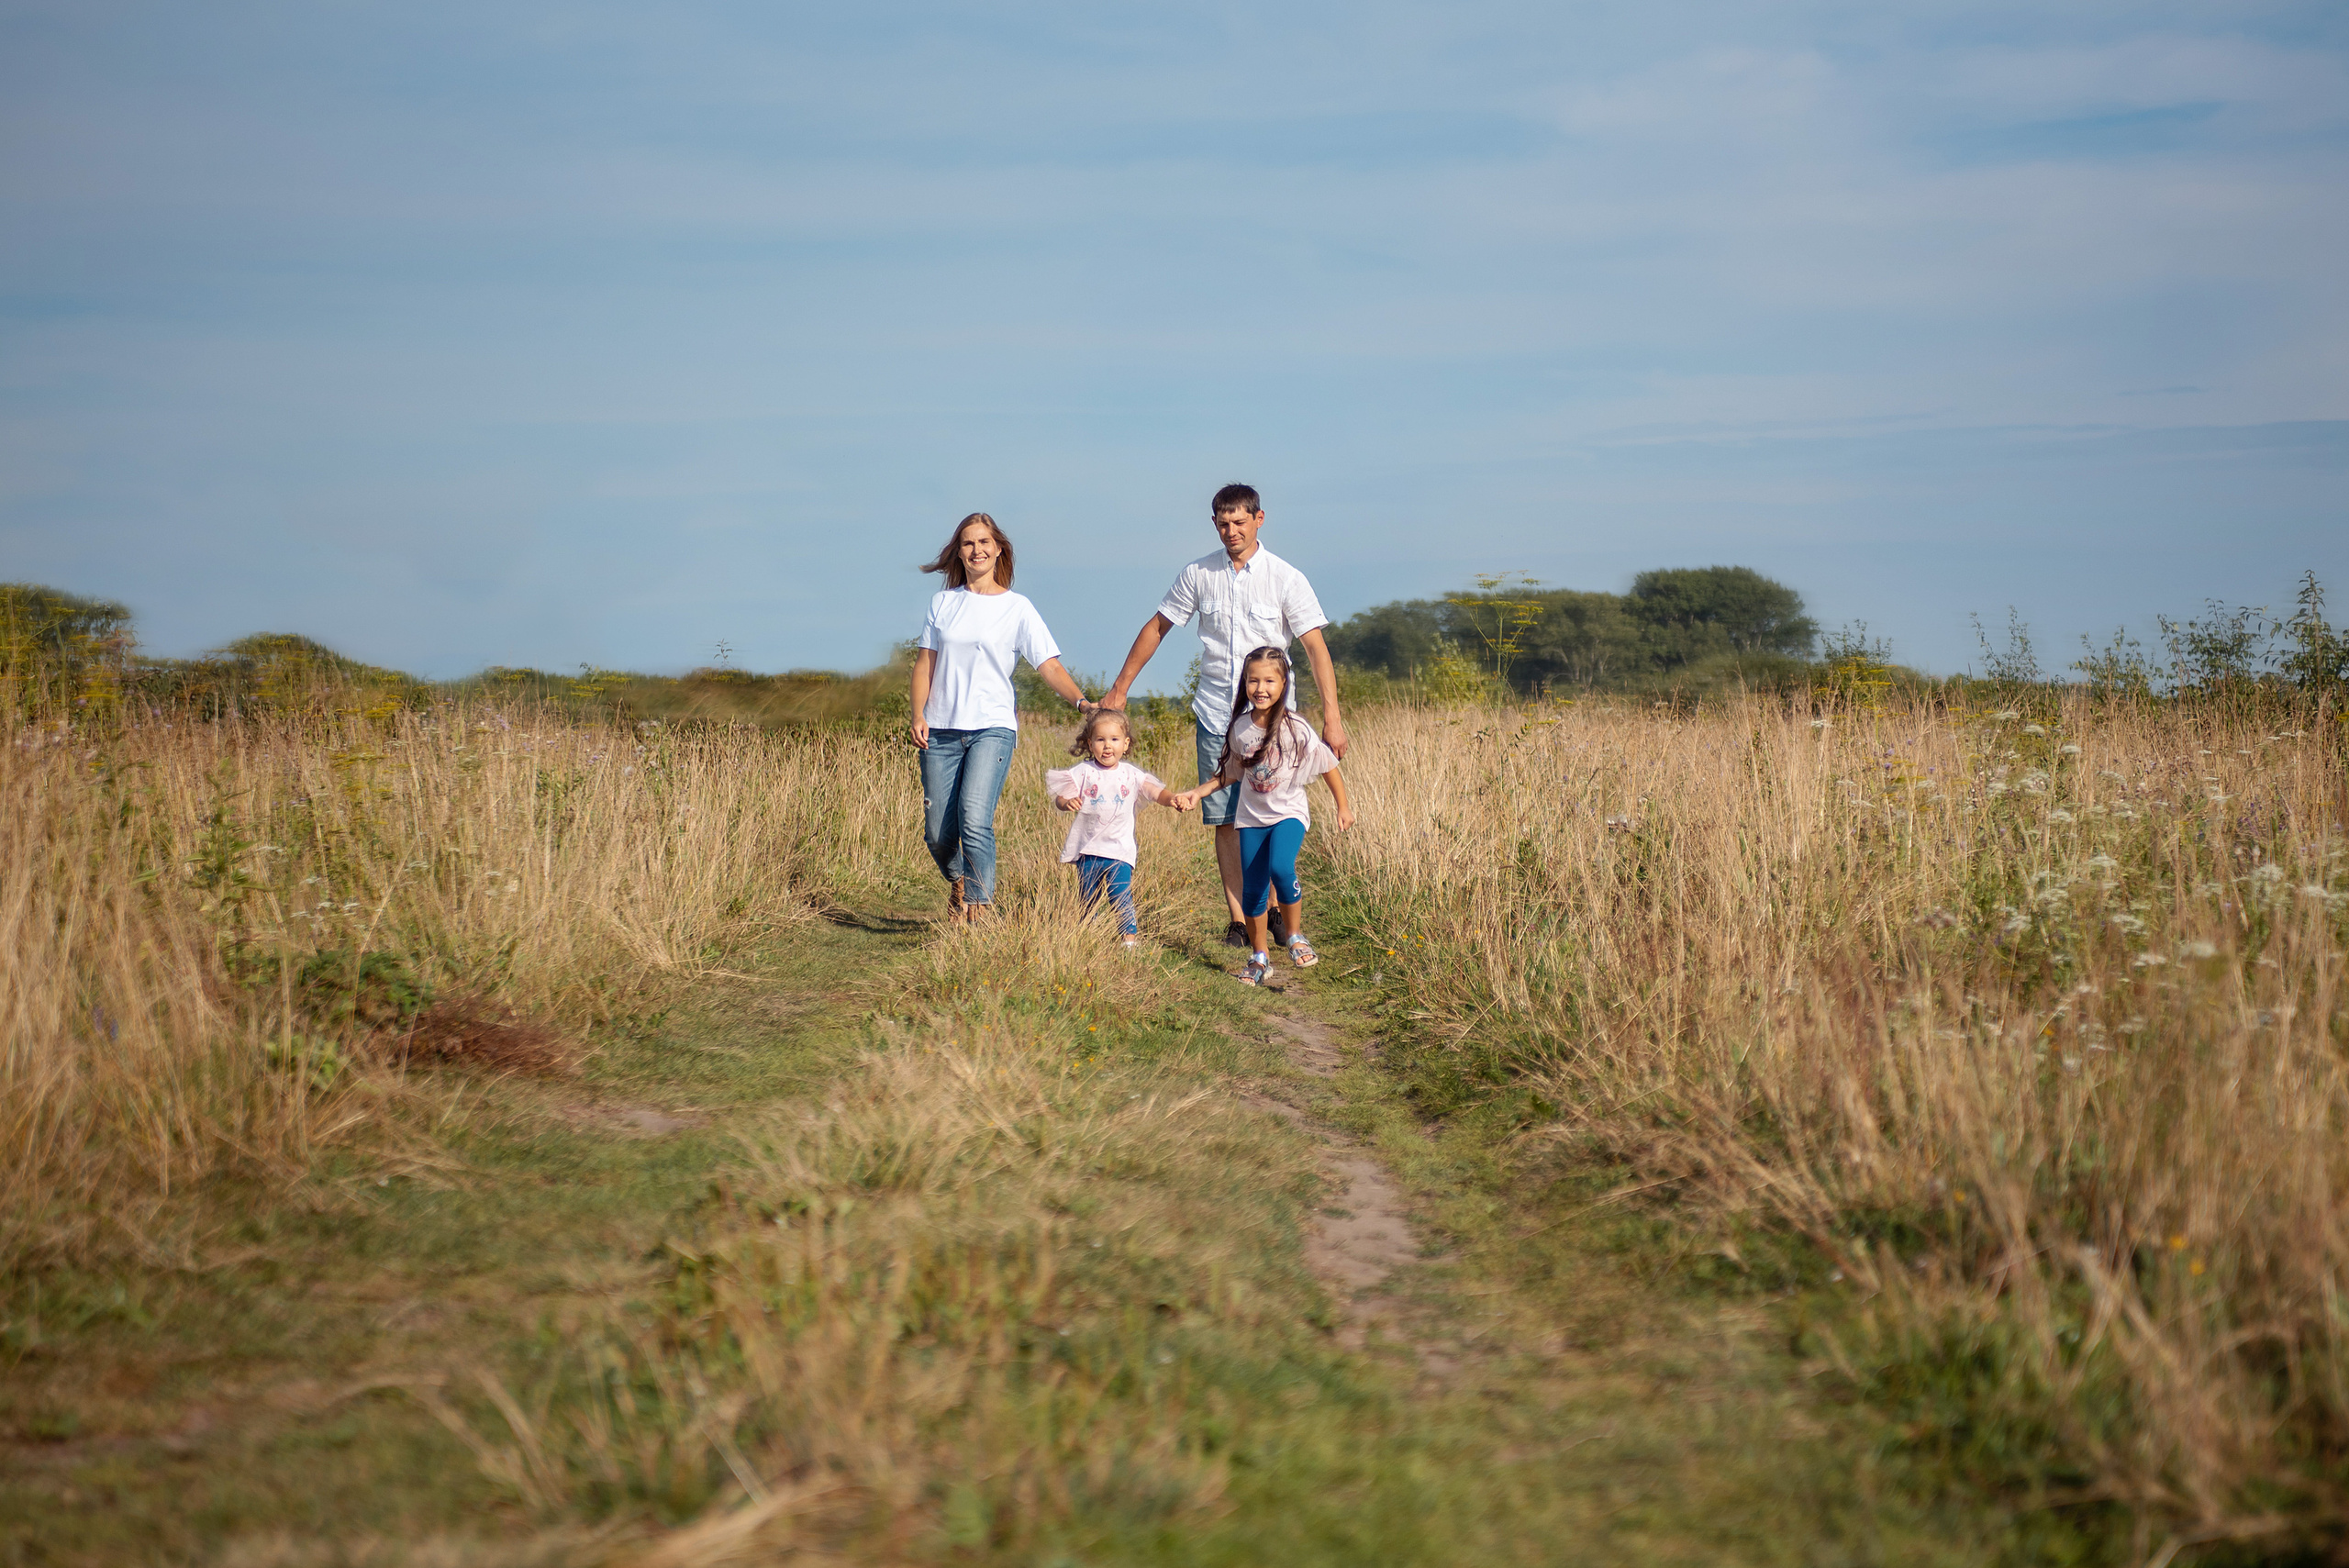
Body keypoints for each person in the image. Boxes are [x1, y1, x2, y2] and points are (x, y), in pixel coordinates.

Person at [1099, 483, 1347, 948]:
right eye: (1223, 523)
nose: (1231, 531)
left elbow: (1315, 647)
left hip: (1274, 725)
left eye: (1239, 522)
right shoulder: (1198, 574)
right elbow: (1158, 627)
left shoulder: (1285, 577)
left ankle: (1272, 911)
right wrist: (1120, 687)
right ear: (1214, 523)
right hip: (1217, 713)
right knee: (1225, 818)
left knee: (1270, 814)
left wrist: (1332, 717)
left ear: (1259, 519)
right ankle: (1239, 919)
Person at [908, 513, 1092, 919]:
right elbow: (924, 665)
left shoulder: (1017, 608)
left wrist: (1081, 703)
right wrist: (917, 714)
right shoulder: (943, 602)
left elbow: (1049, 666)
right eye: (969, 543)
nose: (977, 550)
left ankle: (979, 908)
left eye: (984, 542)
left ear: (999, 549)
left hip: (992, 727)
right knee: (938, 833)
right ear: (960, 552)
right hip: (939, 729)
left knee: (974, 817)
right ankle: (959, 880)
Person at [1173, 645, 1353, 985]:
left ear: (1284, 684)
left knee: (1281, 868)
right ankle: (1259, 957)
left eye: (1270, 680)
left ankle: (1296, 936)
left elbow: (1329, 767)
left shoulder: (1297, 727)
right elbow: (1230, 773)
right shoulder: (1240, 729)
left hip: (1288, 814)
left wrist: (1342, 806)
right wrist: (1197, 793)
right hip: (1251, 819)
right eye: (1253, 680)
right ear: (1244, 684)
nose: (1261, 688)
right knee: (1253, 893)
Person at [1043, 708, 1186, 947]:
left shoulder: (1131, 774)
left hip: (1119, 850)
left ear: (1126, 744)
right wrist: (1066, 802)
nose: (1107, 746)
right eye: (1100, 740)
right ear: (1090, 743)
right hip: (1089, 850)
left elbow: (1155, 792)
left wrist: (1171, 799)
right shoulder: (1084, 772)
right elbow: (1060, 797)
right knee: (1088, 898)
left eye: (1114, 739)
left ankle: (1128, 939)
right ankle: (1088, 937)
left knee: (1120, 894)